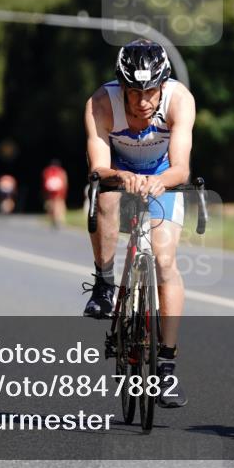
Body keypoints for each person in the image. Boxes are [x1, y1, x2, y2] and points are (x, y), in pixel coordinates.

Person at [83, 38, 196, 408]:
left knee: (164, 261)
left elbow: (181, 167)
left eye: (150, 92)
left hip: (163, 176)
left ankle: (166, 365)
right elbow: (98, 167)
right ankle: (103, 283)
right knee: (107, 196)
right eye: (134, 92)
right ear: (121, 86)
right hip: (119, 171)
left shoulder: (180, 100)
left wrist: (159, 182)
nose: (143, 101)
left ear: (163, 84)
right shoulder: (101, 103)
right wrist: (119, 175)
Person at [41, 160, 68, 228]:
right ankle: (59, 218)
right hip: (59, 189)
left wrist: (44, 192)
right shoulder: (61, 171)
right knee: (59, 202)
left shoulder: (47, 171)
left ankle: (53, 217)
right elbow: (64, 181)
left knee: (51, 203)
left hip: (50, 190)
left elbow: (44, 181)